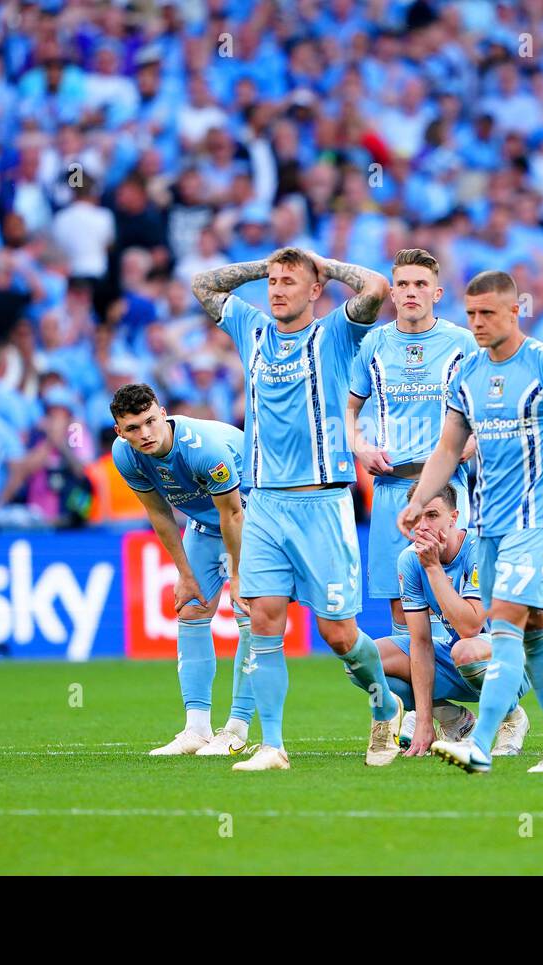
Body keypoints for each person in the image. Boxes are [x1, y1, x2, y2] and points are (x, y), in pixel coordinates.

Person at [191, 246, 401, 771]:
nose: (277, 289)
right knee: (262, 620)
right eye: (273, 282)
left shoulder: (333, 335)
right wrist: (265, 266)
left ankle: (385, 705)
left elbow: (376, 287)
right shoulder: (253, 330)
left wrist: (322, 264)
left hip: (323, 503)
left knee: (339, 635)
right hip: (263, 504)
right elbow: (204, 286)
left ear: (315, 290)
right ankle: (273, 745)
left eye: (290, 281)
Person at [400, 269, 543, 774]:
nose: (476, 322)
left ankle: (483, 744)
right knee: (536, 631)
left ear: (515, 311)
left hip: (537, 521)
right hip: (489, 525)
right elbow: (449, 447)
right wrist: (421, 498)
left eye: (488, 313)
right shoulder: (467, 374)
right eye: (470, 313)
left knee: (506, 627)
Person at [110, 382, 256, 756]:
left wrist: (237, 576)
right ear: (119, 431)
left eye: (149, 422)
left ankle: (236, 729)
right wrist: (185, 575)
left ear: (162, 412)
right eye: (132, 428)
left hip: (255, 519)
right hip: (206, 526)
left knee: (250, 615)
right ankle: (197, 730)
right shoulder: (125, 456)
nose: (143, 434)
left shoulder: (204, 449)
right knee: (191, 610)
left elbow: (234, 513)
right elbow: (158, 512)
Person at [346, 247, 476, 638]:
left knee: (452, 599)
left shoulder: (462, 343)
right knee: (403, 609)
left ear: (437, 293)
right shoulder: (373, 345)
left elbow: (490, 412)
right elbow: (347, 411)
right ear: (392, 294)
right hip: (391, 488)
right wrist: (361, 447)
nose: (411, 292)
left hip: (447, 489)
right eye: (402, 284)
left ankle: (460, 692)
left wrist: (469, 446)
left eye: (421, 284)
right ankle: (421, 701)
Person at [375, 484, 531, 757]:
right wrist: (423, 720)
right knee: (367, 661)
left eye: (432, 515)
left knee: (466, 649)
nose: (423, 525)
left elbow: (471, 626)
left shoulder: (480, 549)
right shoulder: (410, 560)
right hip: (461, 659)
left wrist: (434, 568)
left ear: (454, 516)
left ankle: (512, 716)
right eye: (416, 517)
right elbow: (420, 643)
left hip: (515, 656)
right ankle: (454, 719)